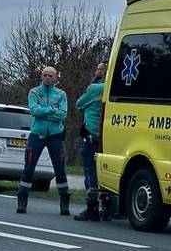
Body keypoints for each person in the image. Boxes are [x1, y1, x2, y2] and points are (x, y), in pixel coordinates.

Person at [16, 66, 70, 215]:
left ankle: (64, 201)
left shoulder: (61, 94)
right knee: (29, 167)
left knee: (60, 169)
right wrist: (51, 110)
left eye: (50, 76)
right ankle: (22, 199)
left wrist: (44, 112)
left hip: (55, 135)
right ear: (41, 76)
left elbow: (63, 114)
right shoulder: (34, 92)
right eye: (45, 75)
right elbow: (34, 111)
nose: (47, 78)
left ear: (56, 78)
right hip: (37, 134)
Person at [72, 63, 106, 221]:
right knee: (105, 172)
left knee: (90, 171)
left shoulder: (94, 88)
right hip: (107, 135)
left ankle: (91, 207)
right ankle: (108, 207)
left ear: (103, 71)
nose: (96, 71)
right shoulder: (115, 87)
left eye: (98, 69)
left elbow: (79, 103)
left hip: (91, 133)